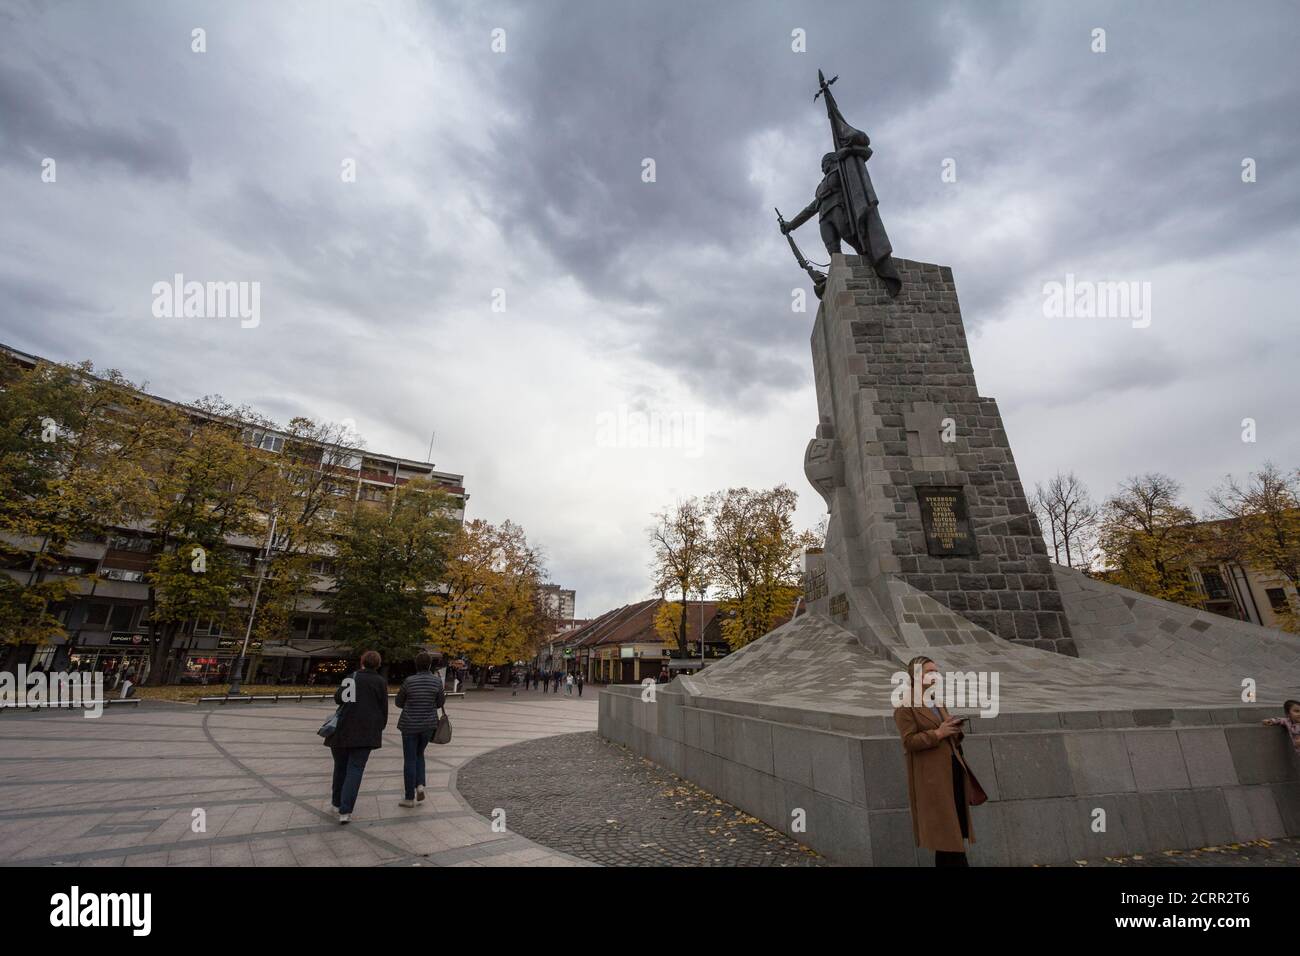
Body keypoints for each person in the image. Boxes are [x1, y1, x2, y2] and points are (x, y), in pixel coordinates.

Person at [893, 655, 981, 866]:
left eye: (935, 671)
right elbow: (909, 742)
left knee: (953, 831)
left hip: (952, 770)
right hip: (932, 779)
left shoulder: (935, 700)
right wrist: (938, 734)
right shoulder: (905, 705)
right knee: (946, 833)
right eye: (929, 671)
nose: (935, 675)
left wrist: (953, 729)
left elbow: (945, 732)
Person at [327, 650, 389, 824]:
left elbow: (339, 699)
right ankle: (346, 811)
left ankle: (336, 802)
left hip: (344, 729)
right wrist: (380, 727)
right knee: (355, 769)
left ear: (362, 661)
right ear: (378, 664)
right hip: (366, 732)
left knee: (340, 767)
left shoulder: (352, 677)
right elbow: (383, 709)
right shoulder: (380, 682)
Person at [395, 652, 445, 807]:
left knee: (409, 759)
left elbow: (398, 702)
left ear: (416, 665)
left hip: (409, 725)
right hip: (428, 725)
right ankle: (420, 784)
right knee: (420, 754)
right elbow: (439, 703)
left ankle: (409, 797)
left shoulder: (409, 681)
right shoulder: (436, 682)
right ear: (430, 665)